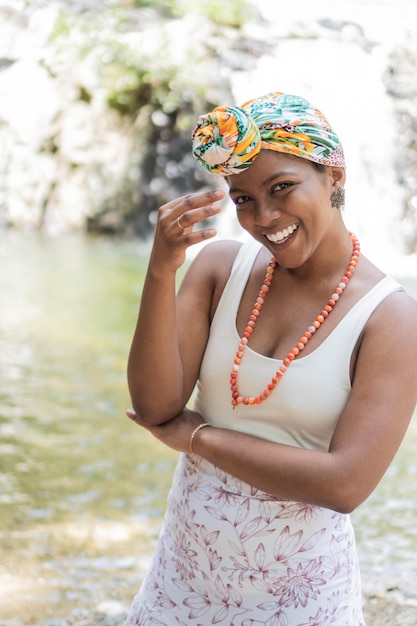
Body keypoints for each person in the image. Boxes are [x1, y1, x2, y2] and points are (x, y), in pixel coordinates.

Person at [124, 91, 417, 625]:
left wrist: (200, 438)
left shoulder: (391, 319)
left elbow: (345, 484)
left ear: (333, 174)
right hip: (182, 582)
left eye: (282, 188)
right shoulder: (219, 269)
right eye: (242, 199)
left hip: (301, 598)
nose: (265, 217)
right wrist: (162, 269)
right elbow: (155, 406)